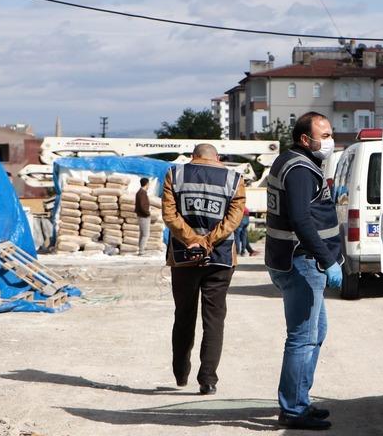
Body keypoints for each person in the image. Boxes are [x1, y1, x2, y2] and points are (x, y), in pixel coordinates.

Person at [265, 112, 344, 430]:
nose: (329, 140)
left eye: (330, 134)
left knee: (316, 333)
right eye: (323, 135)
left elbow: (305, 208)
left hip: (295, 260)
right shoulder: (298, 169)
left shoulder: (292, 162)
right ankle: (293, 409)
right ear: (304, 139)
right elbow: (300, 218)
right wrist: (327, 259)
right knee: (302, 338)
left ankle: (300, 400)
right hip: (302, 262)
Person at [162, 143, 245, 396]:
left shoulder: (174, 175)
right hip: (219, 259)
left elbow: (169, 214)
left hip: (183, 258)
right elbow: (234, 219)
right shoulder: (234, 179)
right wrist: (208, 241)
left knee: (184, 315)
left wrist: (192, 240)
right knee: (214, 320)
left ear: (192, 158)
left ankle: (180, 372)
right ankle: (207, 380)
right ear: (217, 158)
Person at [135, 177, 151, 255]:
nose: (149, 186)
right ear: (146, 184)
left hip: (142, 215)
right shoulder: (142, 193)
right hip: (143, 216)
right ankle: (141, 251)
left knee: (142, 234)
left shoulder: (140, 192)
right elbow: (142, 206)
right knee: (145, 234)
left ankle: (141, 250)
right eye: (148, 184)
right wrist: (148, 213)